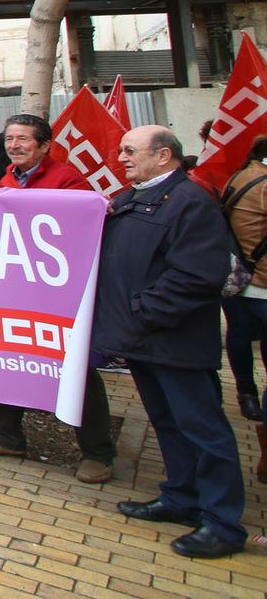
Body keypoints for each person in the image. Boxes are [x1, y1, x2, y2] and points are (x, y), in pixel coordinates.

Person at [100, 126, 244, 559]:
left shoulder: (191, 202)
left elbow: (195, 277)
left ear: (163, 156)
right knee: (167, 423)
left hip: (173, 342)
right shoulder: (132, 198)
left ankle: (222, 523)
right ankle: (181, 497)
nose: (121, 157)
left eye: (130, 151)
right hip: (143, 339)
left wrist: (142, 313)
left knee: (204, 430)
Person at [0, 114, 114, 485]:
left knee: (77, 372)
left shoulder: (68, 180)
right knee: (1, 358)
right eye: (9, 139)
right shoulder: (8, 180)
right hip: (14, 291)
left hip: (57, 297)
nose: (14, 145)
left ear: (44, 145)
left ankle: (98, 454)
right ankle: (5, 436)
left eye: (23, 139)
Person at [223, 135, 267, 466]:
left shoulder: (239, 176)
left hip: (238, 279)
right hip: (260, 282)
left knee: (239, 334)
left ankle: (247, 394)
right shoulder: (262, 183)